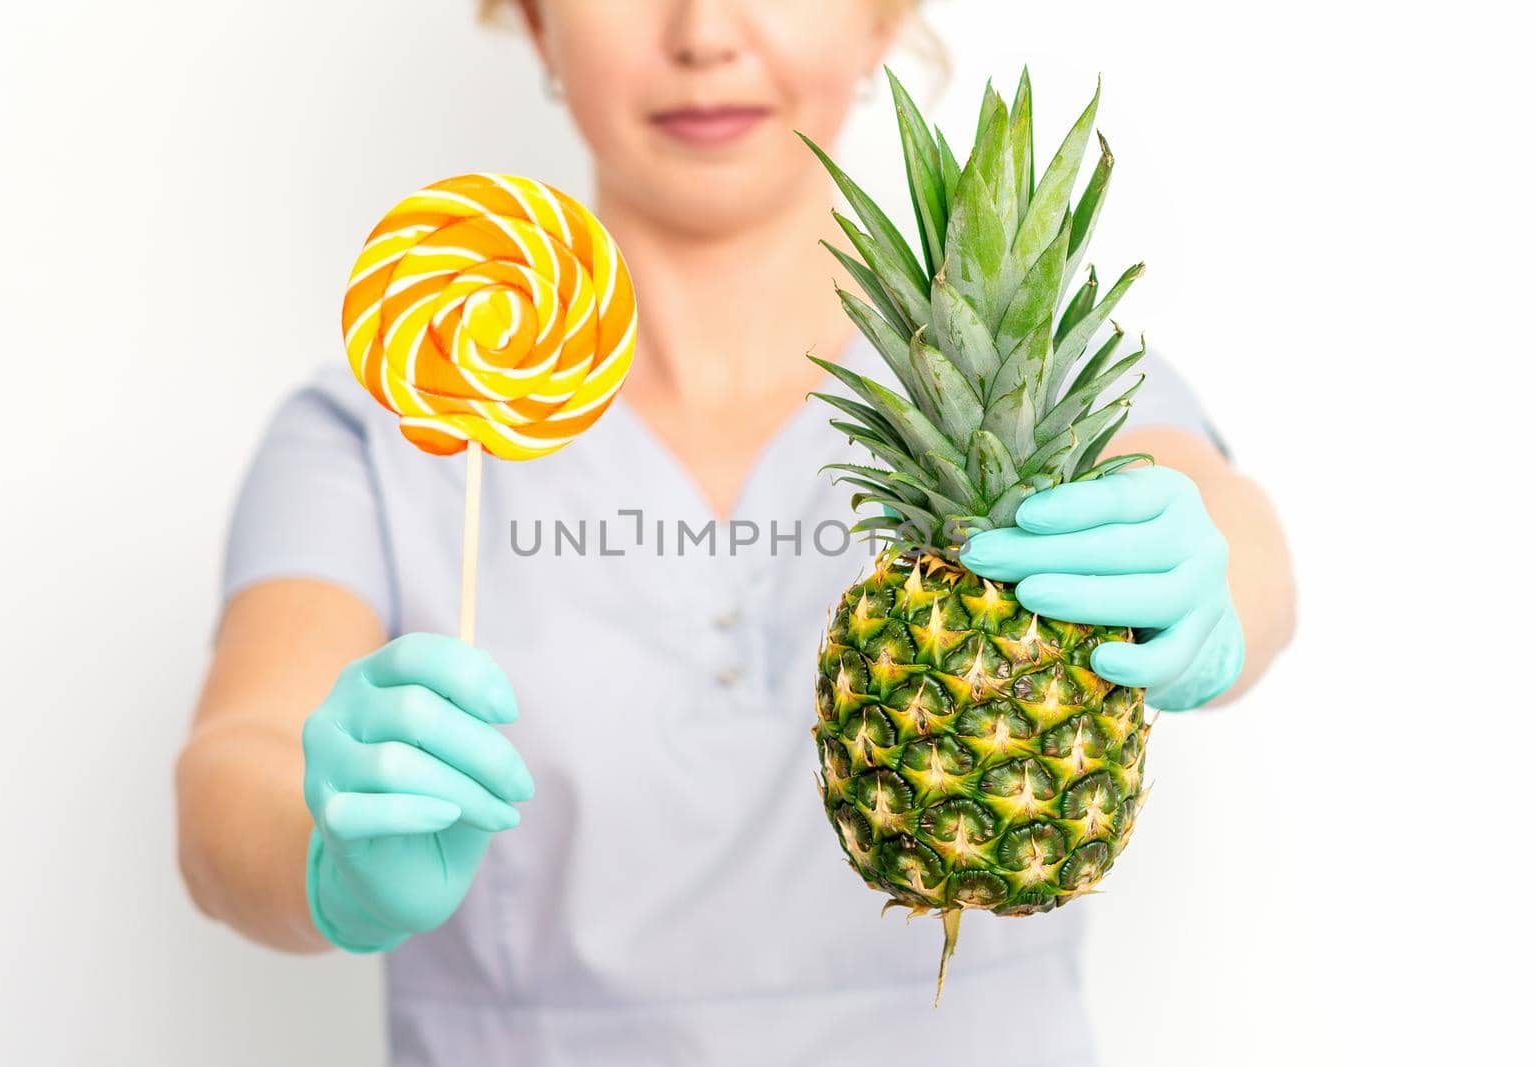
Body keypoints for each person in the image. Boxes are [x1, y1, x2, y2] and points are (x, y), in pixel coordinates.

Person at [175, 1, 1296, 1063]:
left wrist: (1210, 587)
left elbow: (1233, 532)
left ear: (882, 17)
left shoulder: (1046, 401)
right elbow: (234, 770)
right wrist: (331, 855)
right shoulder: (391, 423)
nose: (703, 33)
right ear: (531, 16)